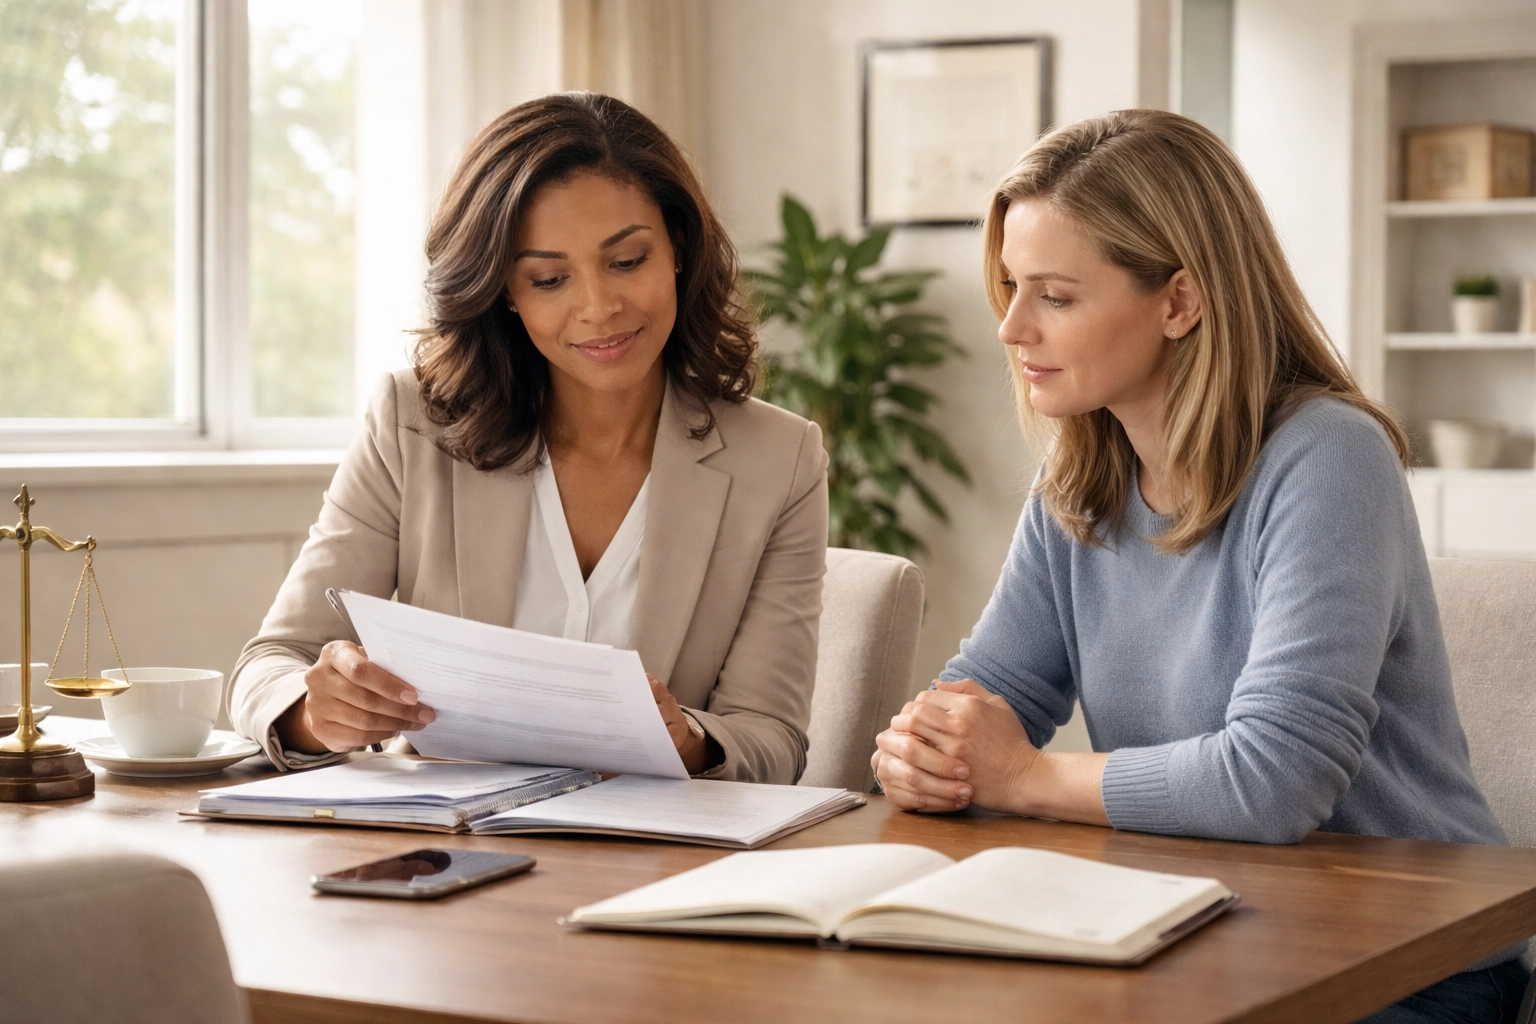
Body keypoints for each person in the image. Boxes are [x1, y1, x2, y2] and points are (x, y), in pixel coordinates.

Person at [871, 109, 1527, 1022]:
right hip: (1194, 925)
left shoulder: (1328, 457)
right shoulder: (1076, 486)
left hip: (1409, 956)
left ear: (1180, 301)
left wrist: (1020, 777)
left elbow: (1275, 781)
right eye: (1012, 288)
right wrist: (922, 755)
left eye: (1055, 296)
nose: (1012, 327)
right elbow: (980, 703)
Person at [230, 93, 828, 784]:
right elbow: (270, 663)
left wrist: (687, 737)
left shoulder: (779, 459)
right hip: (443, 853)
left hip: (647, 859)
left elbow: (772, 739)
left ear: (678, 251)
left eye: (628, 261)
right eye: (549, 278)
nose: (599, 307)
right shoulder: (411, 424)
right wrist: (316, 709)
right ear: (504, 291)